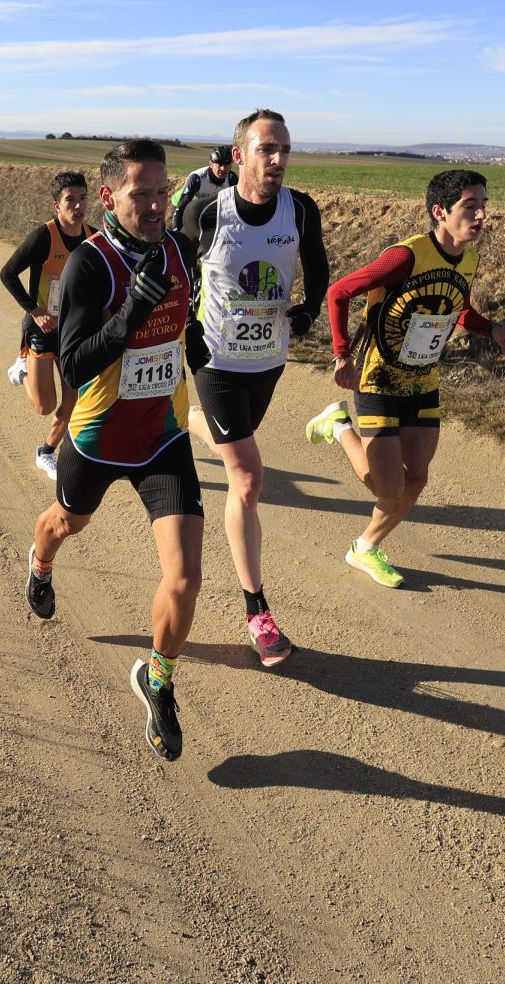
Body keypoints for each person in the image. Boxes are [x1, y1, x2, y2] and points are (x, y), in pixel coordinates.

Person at [26, 138, 209, 762]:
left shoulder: (179, 249)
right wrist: (132, 310)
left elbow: (187, 319)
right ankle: (40, 563)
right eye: (142, 194)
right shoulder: (89, 265)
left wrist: (200, 346)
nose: (157, 204)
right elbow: (73, 362)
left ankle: (157, 680)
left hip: (164, 437)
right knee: (64, 524)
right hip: (98, 439)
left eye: (163, 192)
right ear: (109, 197)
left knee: (185, 578)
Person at [304, 169, 505, 588]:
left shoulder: (469, 260)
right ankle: (339, 426)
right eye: (469, 206)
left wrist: (490, 328)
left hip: (422, 380)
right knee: (389, 489)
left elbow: (457, 308)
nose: (480, 216)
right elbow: (339, 293)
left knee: (416, 477)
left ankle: (364, 548)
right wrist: (341, 355)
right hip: (378, 379)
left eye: (484, 206)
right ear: (440, 212)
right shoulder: (405, 256)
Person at [178, 109, 328, 667]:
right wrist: (184, 330)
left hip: (268, 361)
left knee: (230, 444)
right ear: (239, 155)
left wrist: (311, 310)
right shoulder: (207, 213)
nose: (279, 160)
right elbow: (176, 268)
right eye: (267, 149)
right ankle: (257, 610)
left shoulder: (301, 210)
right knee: (247, 475)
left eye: (285, 149)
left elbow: (316, 263)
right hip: (215, 358)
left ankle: (184, 420)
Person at [0, 171, 95, 479]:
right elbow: (8, 274)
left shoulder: (93, 238)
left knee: (73, 401)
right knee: (44, 406)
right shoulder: (44, 236)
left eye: (83, 198)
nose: (78, 206)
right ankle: (22, 370)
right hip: (42, 330)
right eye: (70, 200)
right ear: (57, 205)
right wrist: (35, 310)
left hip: (74, 334)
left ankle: (46, 452)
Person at [169, 144, 236, 230]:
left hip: (205, 205)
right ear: (211, 164)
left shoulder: (232, 179)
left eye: (227, 165)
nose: (223, 169)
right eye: (219, 165)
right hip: (183, 203)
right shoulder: (197, 178)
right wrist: (176, 230)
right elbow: (182, 206)